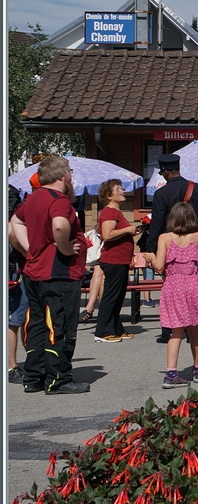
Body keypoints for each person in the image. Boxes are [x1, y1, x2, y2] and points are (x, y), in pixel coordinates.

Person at [8, 156, 90, 394]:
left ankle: (34, 377)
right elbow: (60, 226)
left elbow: (14, 223)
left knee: (37, 325)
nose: (71, 176)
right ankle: (59, 380)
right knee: (59, 325)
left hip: (35, 272)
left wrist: (29, 249)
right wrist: (64, 247)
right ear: (61, 175)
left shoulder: (32, 199)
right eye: (70, 171)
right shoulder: (59, 199)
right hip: (58, 274)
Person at [146, 154, 198, 345]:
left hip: (169, 245)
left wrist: (152, 249)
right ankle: (191, 329)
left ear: (164, 171)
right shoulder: (197, 189)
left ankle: (169, 331)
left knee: (170, 291)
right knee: (191, 290)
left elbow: (156, 224)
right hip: (193, 244)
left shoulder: (161, 194)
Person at [151, 202, 198, 388]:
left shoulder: (165, 238)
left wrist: (150, 258)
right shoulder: (197, 236)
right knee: (194, 329)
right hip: (192, 284)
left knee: (175, 331)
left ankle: (171, 373)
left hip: (173, 285)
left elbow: (159, 265)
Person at [93, 180, 141, 343]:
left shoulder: (115, 212)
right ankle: (102, 332)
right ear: (109, 195)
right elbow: (107, 234)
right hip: (113, 260)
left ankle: (116, 328)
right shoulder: (109, 212)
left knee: (118, 296)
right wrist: (128, 229)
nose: (122, 191)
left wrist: (129, 233)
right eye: (118, 189)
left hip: (120, 260)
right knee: (111, 296)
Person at [7, 184, 27, 384]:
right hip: (12, 267)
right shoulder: (11, 194)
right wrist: (28, 252)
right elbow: (11, 231)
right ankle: (11, 366)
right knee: (14, 317)